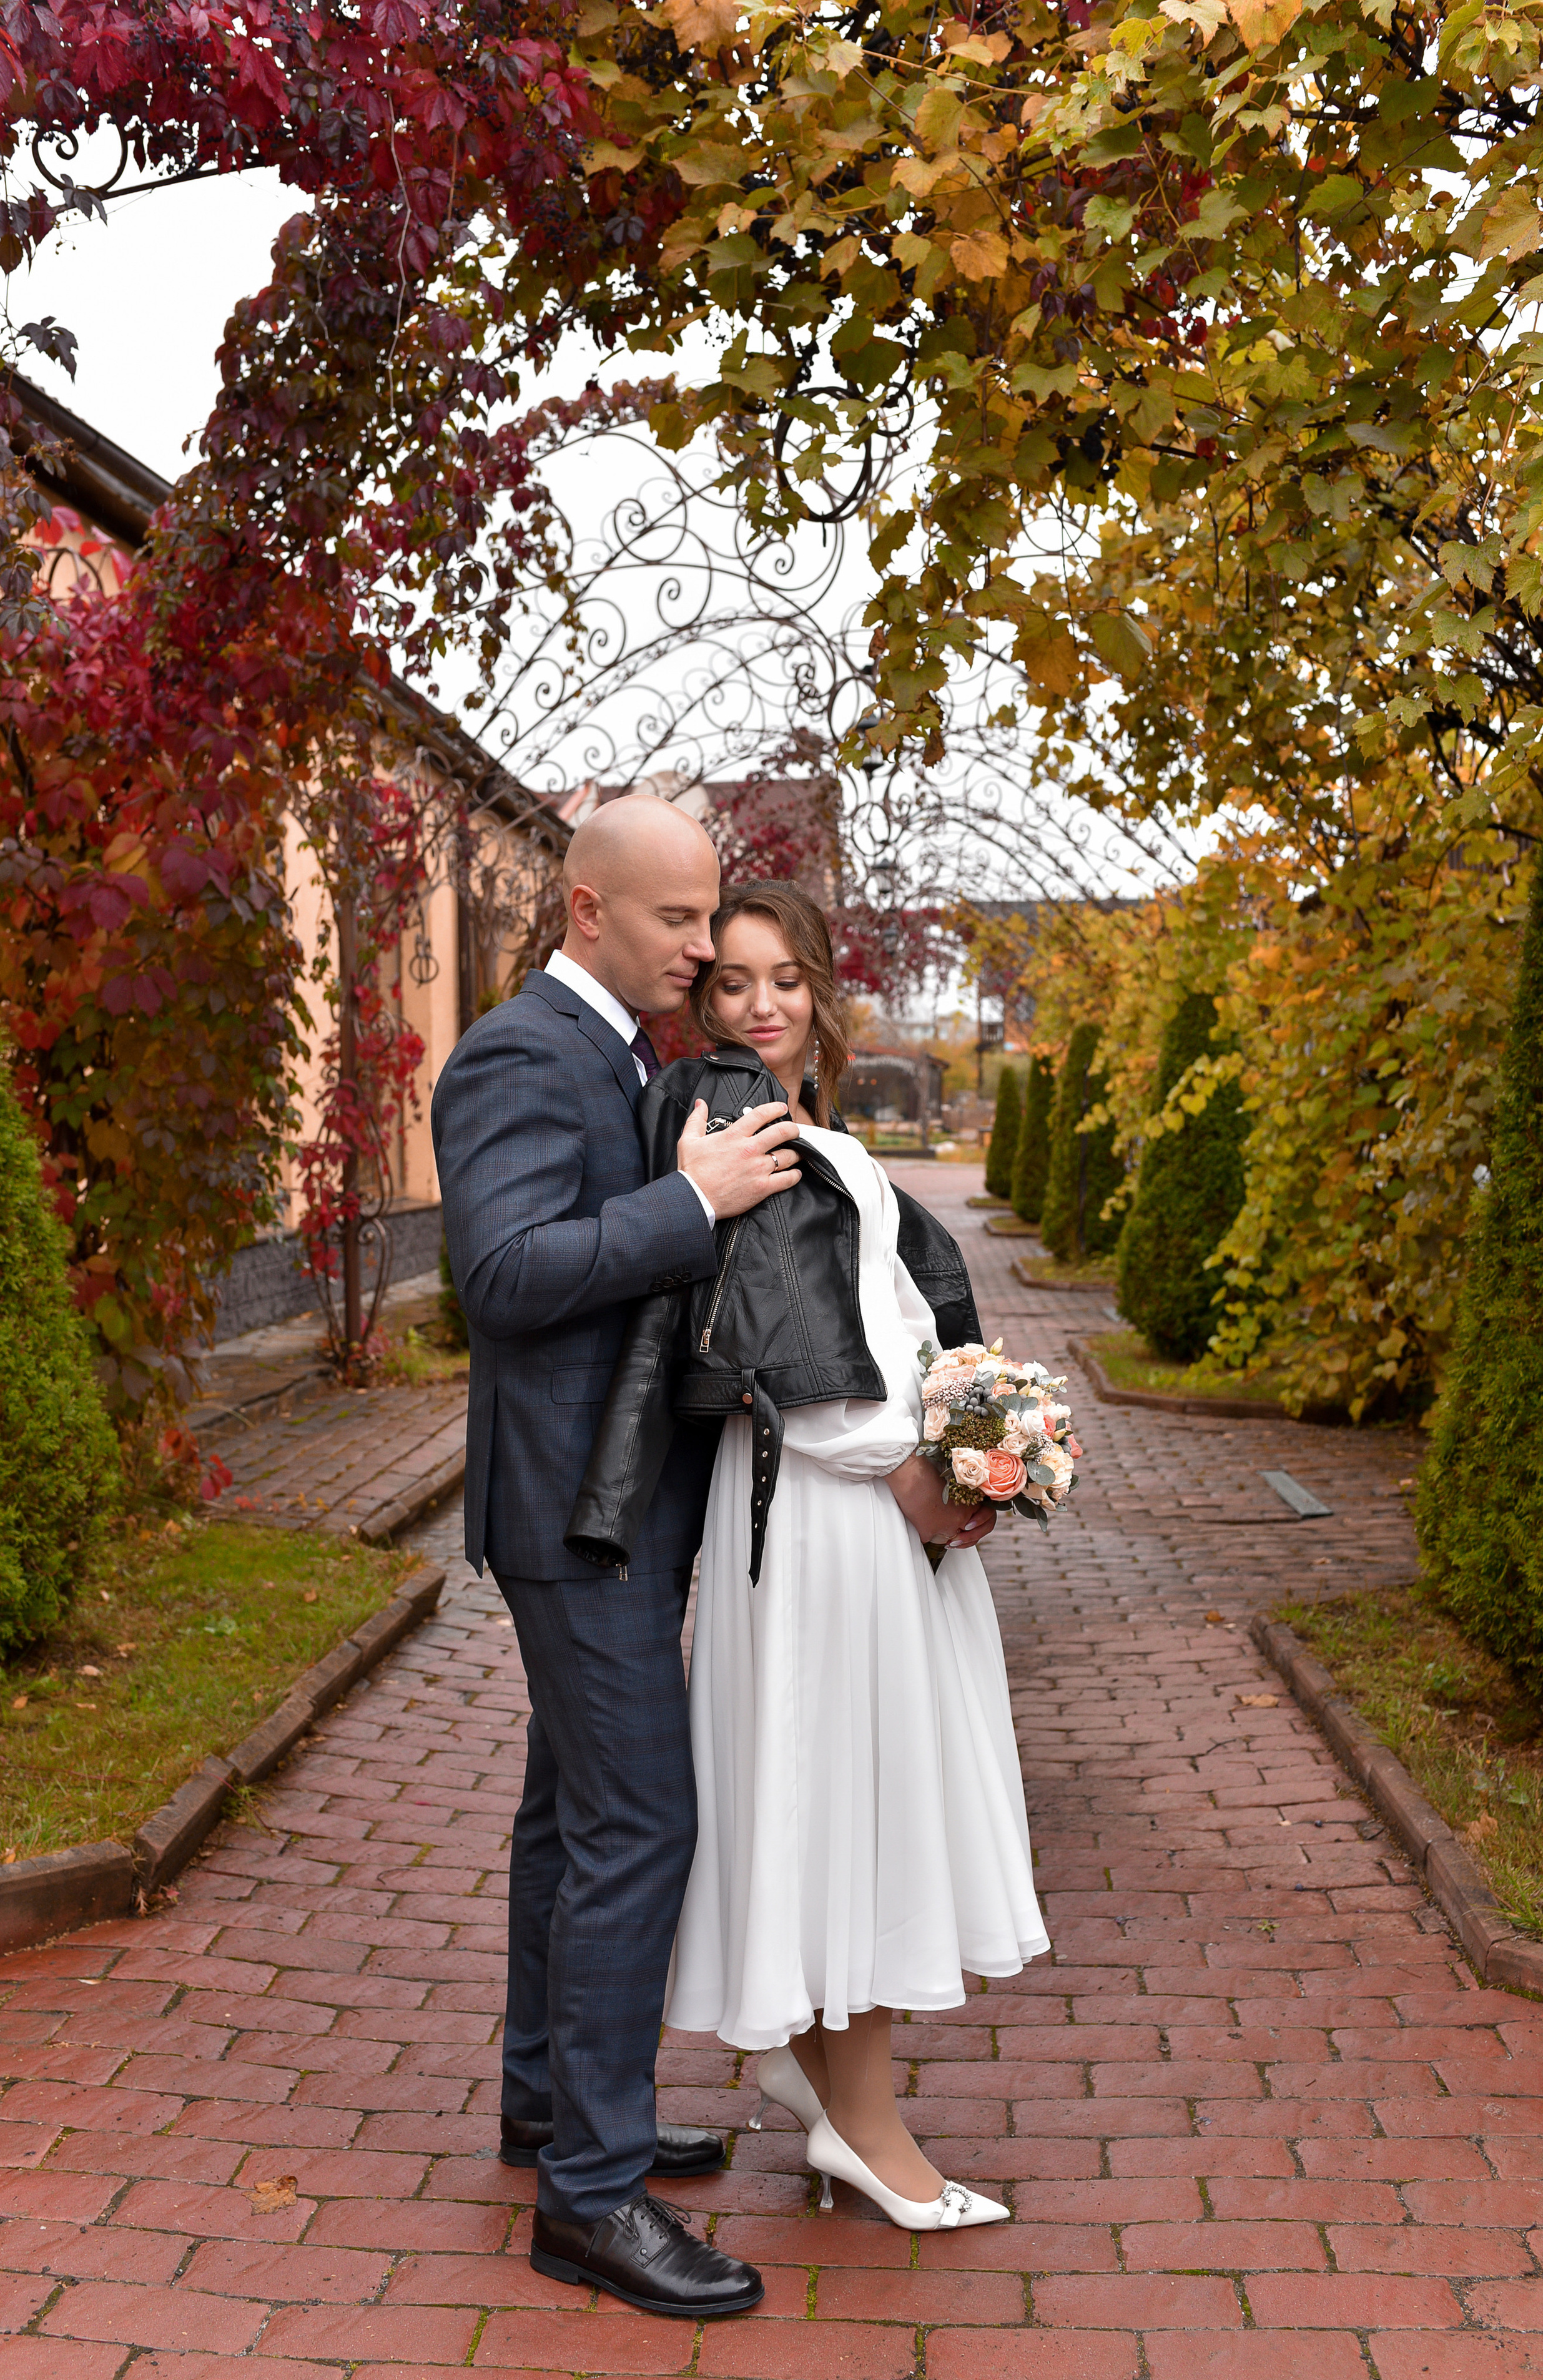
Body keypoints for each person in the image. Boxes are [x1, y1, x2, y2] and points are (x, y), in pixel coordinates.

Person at [570, 879, 1050, 2232]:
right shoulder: (736, 1127)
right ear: (699, 1001)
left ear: (819, 992)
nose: (761, 1005)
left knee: (861, 1805)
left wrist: (977, 1445)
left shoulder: (803, 1135)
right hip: (833, 1515)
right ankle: (867, 2131)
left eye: (783, 979)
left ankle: (832, 2096)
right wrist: (910, 1472)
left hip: (857, 1519)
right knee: (857, 1809)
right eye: (731, 982)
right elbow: (788, 1362)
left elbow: (892, 1324)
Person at [431, 799, 804, 2320]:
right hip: (572, 1525)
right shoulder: (525, 1051)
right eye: (677, 921)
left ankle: (549, 2111)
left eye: (709, 916)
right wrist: (689, 1204)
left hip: (615, 1507)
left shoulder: (620, 1055)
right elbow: (505, 1279)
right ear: (587, 910)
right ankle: (588, 2201)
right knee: (640, 1825)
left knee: (567, 1817)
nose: (706, 948)